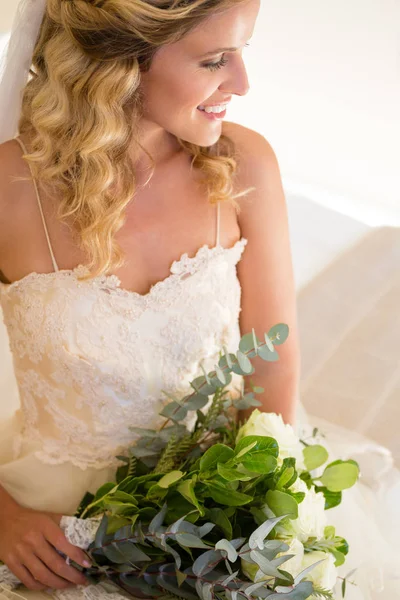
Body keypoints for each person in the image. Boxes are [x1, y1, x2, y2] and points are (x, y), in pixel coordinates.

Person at [0, 1, 398, 600]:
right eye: (215, 59)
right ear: (120, 64)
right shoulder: (7, 190)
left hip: (229, 485)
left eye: (243, 53)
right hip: (51, 526)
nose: (242, 83)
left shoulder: (243, 164)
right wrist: (5, 518)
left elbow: (270, 361)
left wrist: (255, 514)